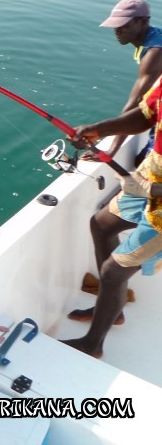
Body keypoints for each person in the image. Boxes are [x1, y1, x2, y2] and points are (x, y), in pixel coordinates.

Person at [63, 77, 162, 358]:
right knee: (101, 225)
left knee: (112, 271)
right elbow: (146, 114)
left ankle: (92, 344)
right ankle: (112, 310)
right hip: (151, 173)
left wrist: (153, 190)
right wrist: (98, 130)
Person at [81, 0, 162, 162]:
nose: (117, 30)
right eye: (115, 25)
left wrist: (112, 149)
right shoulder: (154, 36)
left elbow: (137, 103)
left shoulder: (154, 53)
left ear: (143, 21)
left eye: (124, 24)